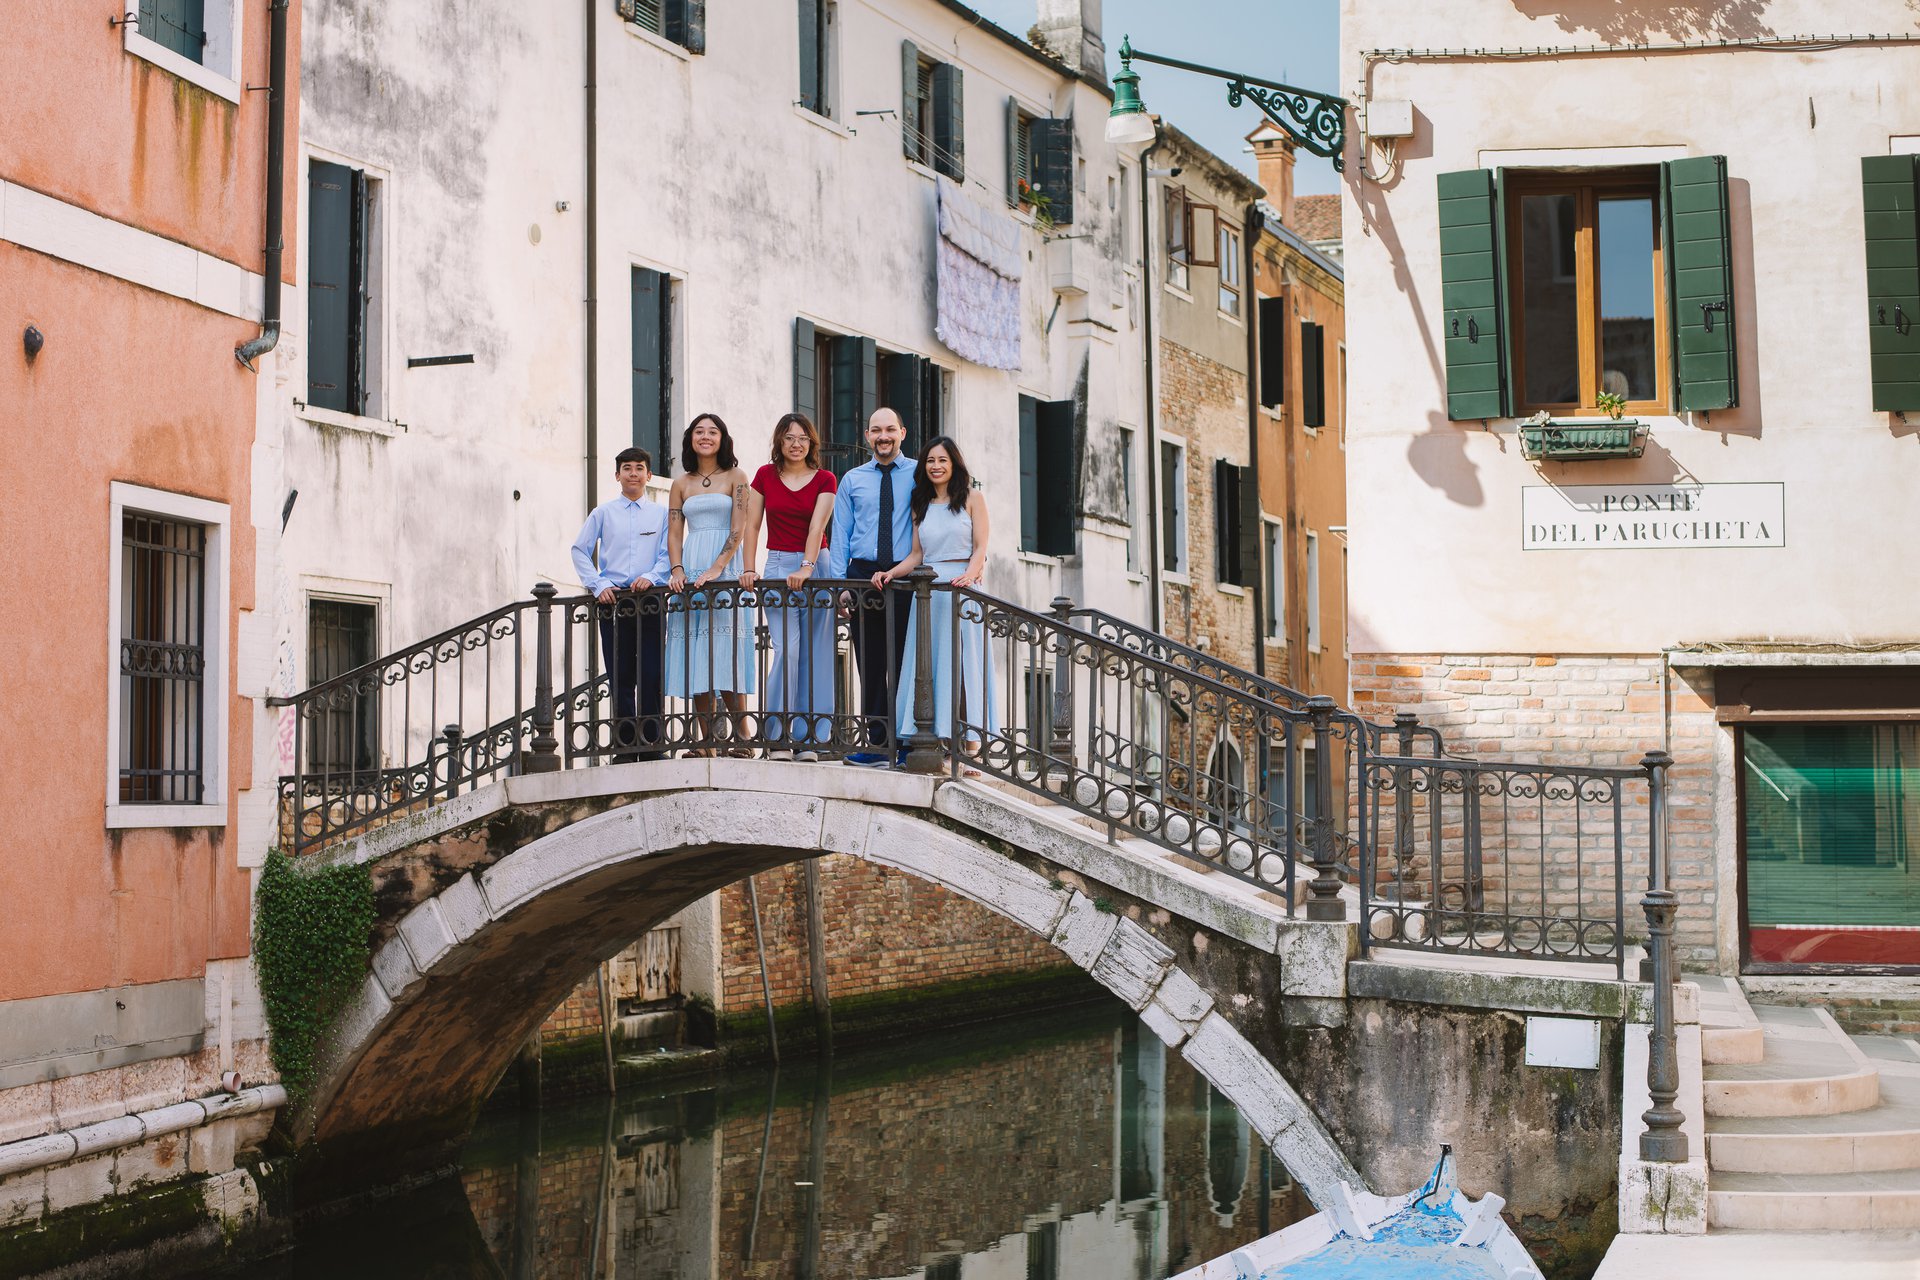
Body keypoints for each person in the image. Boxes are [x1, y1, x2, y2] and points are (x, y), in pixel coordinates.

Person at [874, 437, 998, 766]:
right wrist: (889, 573)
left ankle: (971, 748)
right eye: (930, 461)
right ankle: (934, 740)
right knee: (931, 668)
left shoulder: (973, 498)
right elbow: (917, 555)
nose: (936, 466)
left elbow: (980, 548)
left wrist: (970, 577)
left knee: (963, 666)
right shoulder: (921, 503)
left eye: (942, 460)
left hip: (963, 590)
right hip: (928, 591)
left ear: (954, 463)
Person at [744, 413, 837, 761]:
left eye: (802, 438)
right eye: (789, 437)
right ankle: (779, 737)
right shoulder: (765, 476)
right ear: (779, 442)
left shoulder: (826, 479)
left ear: (811, 443)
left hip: (818, 565)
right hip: (778, 563)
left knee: (817, 653)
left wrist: (808, 567)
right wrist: (749, 569)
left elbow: (817, 527)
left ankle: (811, 738)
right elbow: (752, 526)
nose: (796, 443)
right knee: (787, 650)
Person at [827, 408, 917, 767]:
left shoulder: (918, 474)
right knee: (870, 662)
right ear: (867, 436)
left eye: (890, 429)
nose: (884, 436)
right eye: (877, 430)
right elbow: (841, 536)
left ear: (903, 433)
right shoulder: (852, 479)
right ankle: (877, 744)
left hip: (907, 576)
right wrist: (840, 587)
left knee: (907, 663)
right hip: (862, 576)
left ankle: (908, 742)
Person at [570, 447, 671, 762]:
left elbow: (669, 553)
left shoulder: (661, 514)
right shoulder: (603, 513)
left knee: (652, 673)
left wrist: (653, 577)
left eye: (639, 468)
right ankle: (626, 747)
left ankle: (653, 745)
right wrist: (598, 584)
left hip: (650, 600)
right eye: (627, 468)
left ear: (649, 475)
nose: (633, 473)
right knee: (620, 673)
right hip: (613, 602)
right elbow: (579, 550)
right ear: (617, 475)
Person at [665, 413, 758, 755]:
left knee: (728, 651)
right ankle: (705, 741)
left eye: (713, 431)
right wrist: (677, 570)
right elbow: (675, 532)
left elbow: (740, 526)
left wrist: (719, 567)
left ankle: (744, 736)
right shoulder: (681, 484)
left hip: (726, 570)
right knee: (696, 653)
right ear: (691, 438)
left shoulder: (737, 477)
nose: (706, 437)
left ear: (722, 438)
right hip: (691, 568)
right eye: (699, 432)